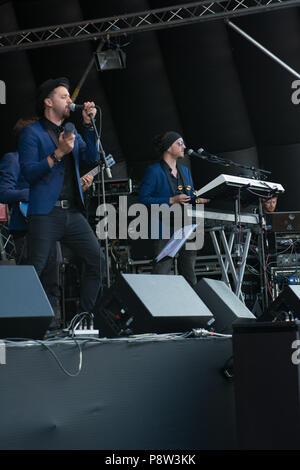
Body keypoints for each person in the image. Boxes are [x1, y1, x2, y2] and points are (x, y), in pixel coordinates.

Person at [18, 77, 102, 318]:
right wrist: (58, 154)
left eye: (69, 97)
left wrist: (88, 126)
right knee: (36, 269)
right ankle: (22, 324)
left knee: (96, 260)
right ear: (48, 101)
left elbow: (91, 158)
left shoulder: (72, 130)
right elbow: (29, 172)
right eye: (64, 96)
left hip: (72, 212)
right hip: (45, 212)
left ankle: (83, 318)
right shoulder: (30, 133)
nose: (69, 101)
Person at [139, 131, 209, 286]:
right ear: (168, 147)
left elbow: (190, 196)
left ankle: (191, 307)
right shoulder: (154, 170)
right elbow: (143, 199)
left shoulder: (185, 171)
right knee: (161, 271)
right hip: (162, 225)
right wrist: (171, 200)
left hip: (186, 225)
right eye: (180, 143)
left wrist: (199, 199)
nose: (184, 146)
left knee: (189, 273)